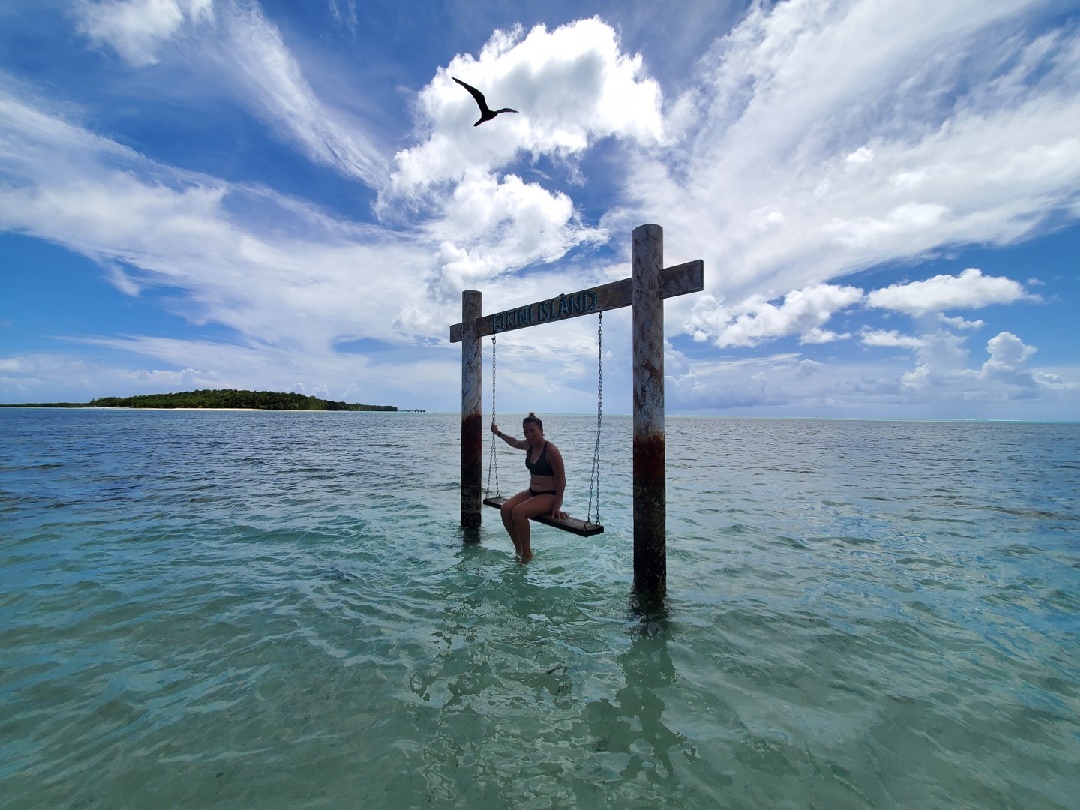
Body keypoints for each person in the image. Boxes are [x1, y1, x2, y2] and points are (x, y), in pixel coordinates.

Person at [490, 413, 566, 561]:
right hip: (533, 492)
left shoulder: (551, 450)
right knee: (505, 509)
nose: (529, 434)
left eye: (532, 430)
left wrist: (556, 506)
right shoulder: (528, 446)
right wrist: (498, 433)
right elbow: (514, 442)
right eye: (526, 431)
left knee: (518, 512)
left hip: (549, 495)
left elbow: (562, 480)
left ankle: (527, 553)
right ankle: (518, 547)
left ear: (541, 429)